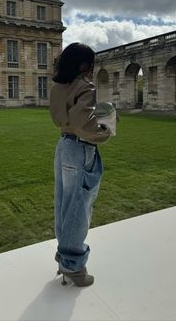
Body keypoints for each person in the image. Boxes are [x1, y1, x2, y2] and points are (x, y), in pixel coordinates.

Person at [49, 42, 111, 287]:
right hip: (79, 147)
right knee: (79, 206)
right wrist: (106, 130)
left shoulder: (57, 87)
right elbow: (83, 124)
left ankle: (64, 259)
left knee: (64, 204)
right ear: (84, 65)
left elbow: (63, 118)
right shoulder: (85, 86)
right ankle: (73, 266)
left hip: (63, 145)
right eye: (91, 65)